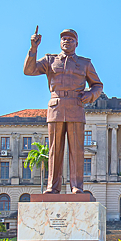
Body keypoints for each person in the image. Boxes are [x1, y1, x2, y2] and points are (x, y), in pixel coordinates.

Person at [24, 29, 103, 194]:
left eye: (70, 39)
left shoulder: (85, 63)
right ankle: (52, 187)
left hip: (76, 106)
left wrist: (90, 95)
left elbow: (97, 85)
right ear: (60, 42)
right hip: (56, 107)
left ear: (77, 43)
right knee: (54, 149)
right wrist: (33, 49)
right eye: (64, 39)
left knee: (77, 150)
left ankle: (76, 187)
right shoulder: (49, 60)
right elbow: (29, 70)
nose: (67, 41)